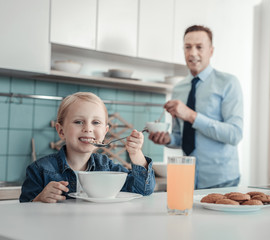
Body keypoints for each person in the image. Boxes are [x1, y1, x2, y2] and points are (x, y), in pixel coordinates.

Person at [148, 25, 243, 189]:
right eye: (188, 47)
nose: (192, 53)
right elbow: (181, 136)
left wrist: (191, 115)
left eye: (199, 47)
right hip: (187, 178)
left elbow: (234, 134)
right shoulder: (178, 89)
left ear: (211, 51)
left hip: (222, 180)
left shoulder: (228, 83)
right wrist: (168, 139)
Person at [20, 92, 155, 203]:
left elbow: (143, 190)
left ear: (105, 131)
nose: (88, 129)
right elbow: (23, 211)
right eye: (78, 122)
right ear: (61, 131)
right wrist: (39, 200)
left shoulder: (106, 167)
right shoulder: (39, 170)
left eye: (96, 122)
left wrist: (136, 154)